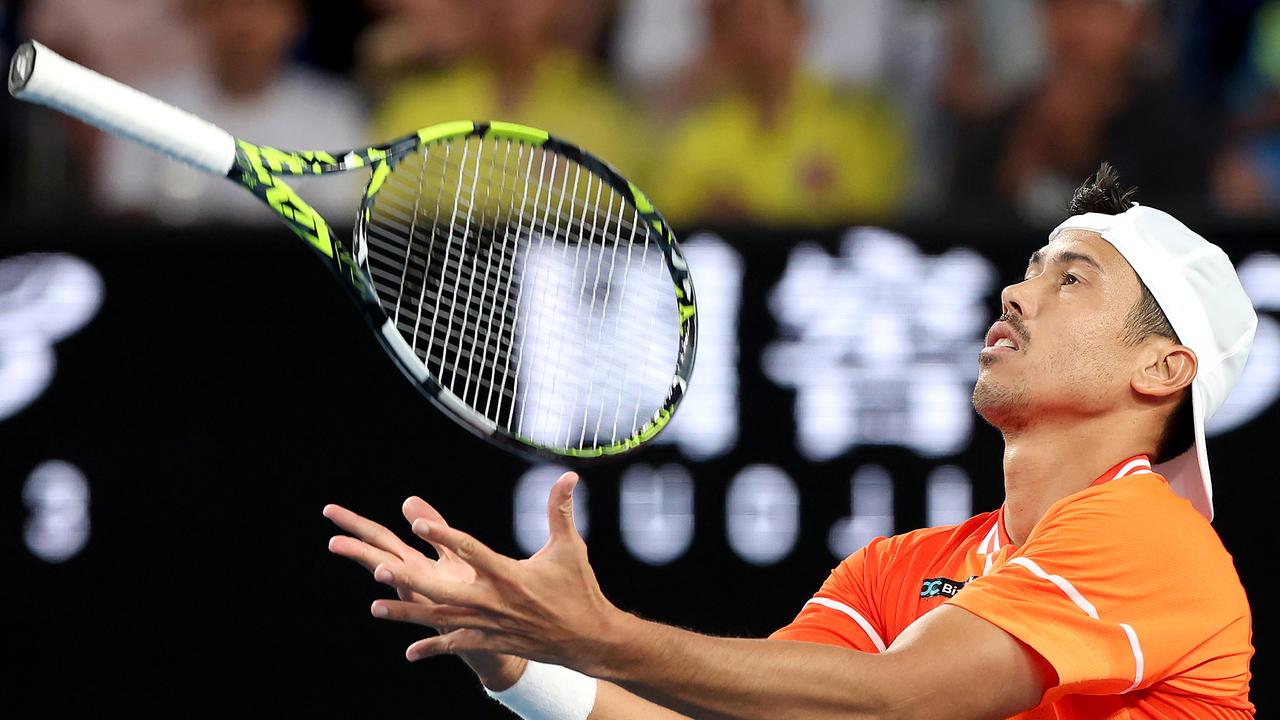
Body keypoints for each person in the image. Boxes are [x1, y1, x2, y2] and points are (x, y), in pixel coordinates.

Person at [325, 164, 1256, 717]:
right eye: (1027, 271)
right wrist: (526, 662)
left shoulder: (1154, 540)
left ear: (1163, 371)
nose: (1016, 295)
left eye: (1072, 281)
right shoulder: (902, 570)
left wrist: (597, 634)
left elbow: (898, 702)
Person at [94, 0, 365, 225]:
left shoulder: (333, 112)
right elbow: (123, 212)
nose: (244, 26)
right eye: (226, 6)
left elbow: (338, 222)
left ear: (295, 20)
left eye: (265, 7)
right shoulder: (145, 106)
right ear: (200, 16)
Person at [647, 0, 909, 226]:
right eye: (738, 25)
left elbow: (873, 217)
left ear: (799, 27)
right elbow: (670, 218)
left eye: (761, 19)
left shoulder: (852, 119)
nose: (751, 37)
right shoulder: (700, 126)